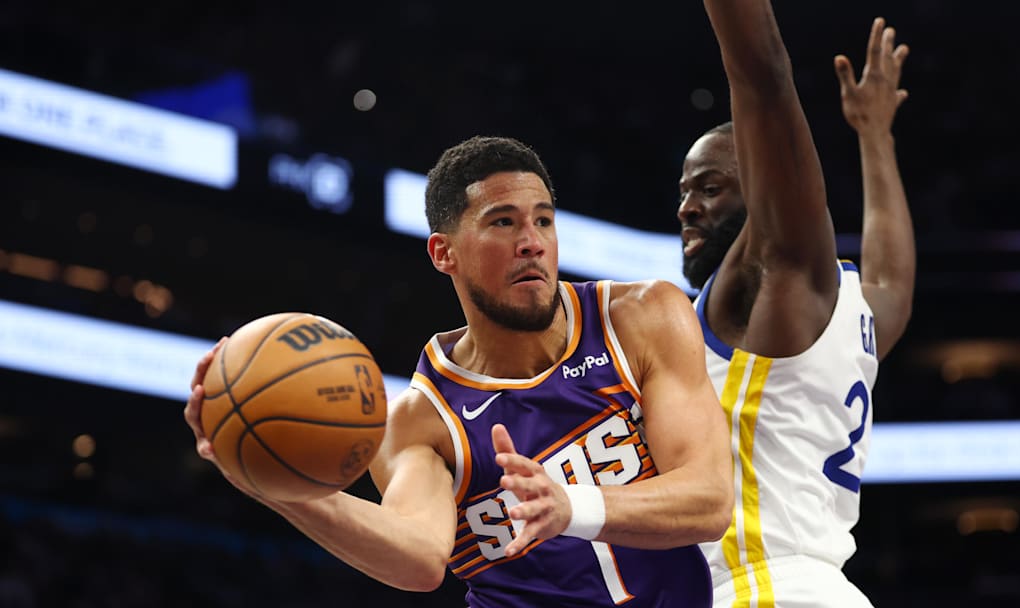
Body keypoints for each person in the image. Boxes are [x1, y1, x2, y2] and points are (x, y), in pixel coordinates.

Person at [185, 135, 734, 607]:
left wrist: (571, 505)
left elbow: (709, 499)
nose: (532, 242)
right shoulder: (422, 419)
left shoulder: (641, 318)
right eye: (503, 222)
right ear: (443, 253)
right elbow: (420, 558)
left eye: (543, 219)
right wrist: (269, 480)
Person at [677, 5, 915, 607]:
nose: (687, 208)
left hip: (762, 588)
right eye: (684, 192)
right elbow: (893, 280)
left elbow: (763, 79)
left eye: (709, 187)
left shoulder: (777, 279)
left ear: (762, 194)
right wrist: (874, 136)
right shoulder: (852, 307)